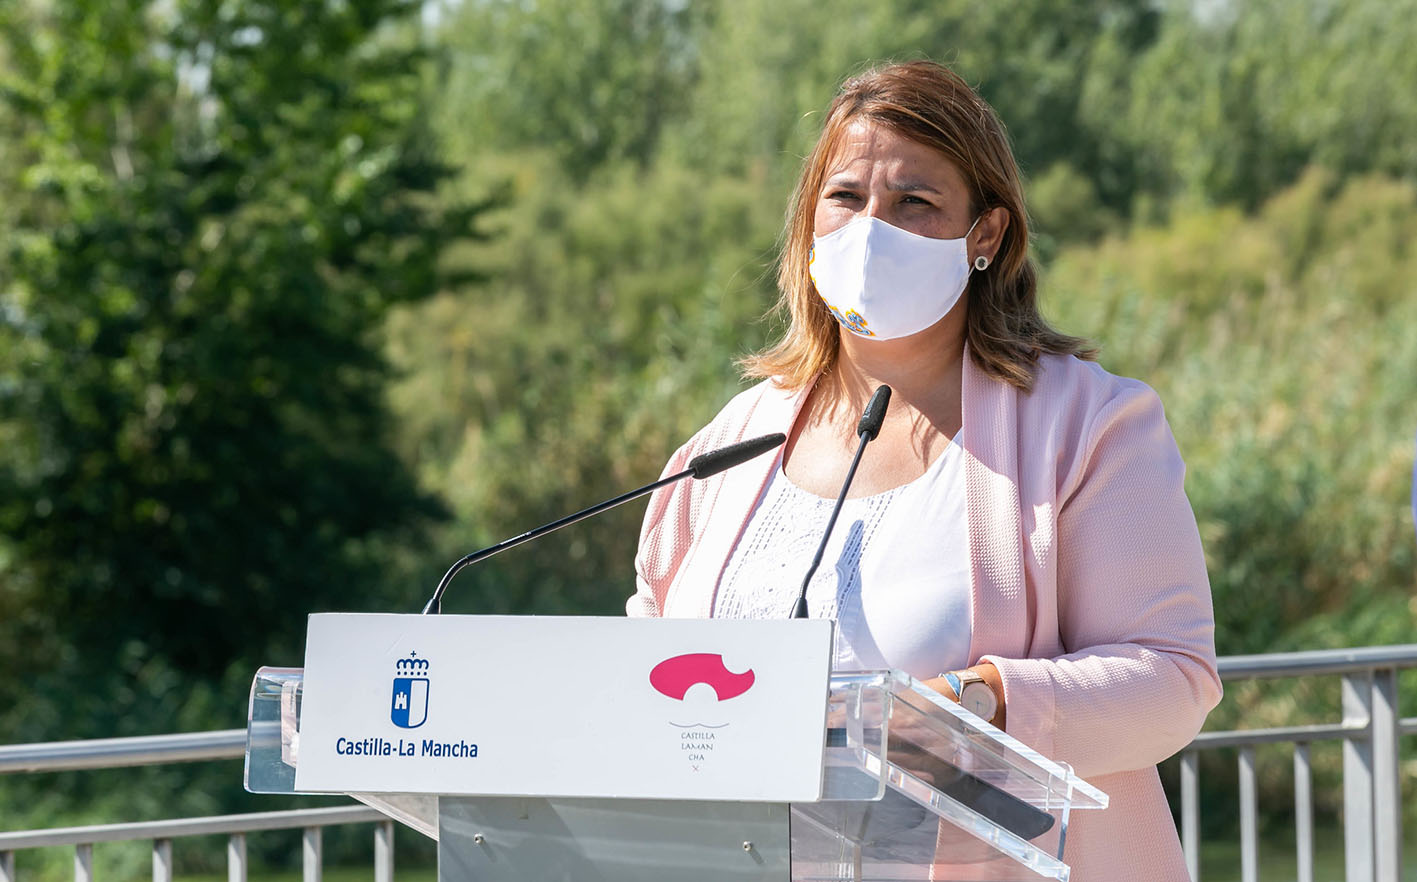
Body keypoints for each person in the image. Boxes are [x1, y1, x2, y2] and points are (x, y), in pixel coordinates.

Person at [627, 60, 1221, 881]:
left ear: (986, 235)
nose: (873, 227)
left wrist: (977, 705)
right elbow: (644, 674)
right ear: (807, 227)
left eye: (914, 202)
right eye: (844, 198)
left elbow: (1170, 682)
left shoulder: (1090, 427)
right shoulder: (729, 443)